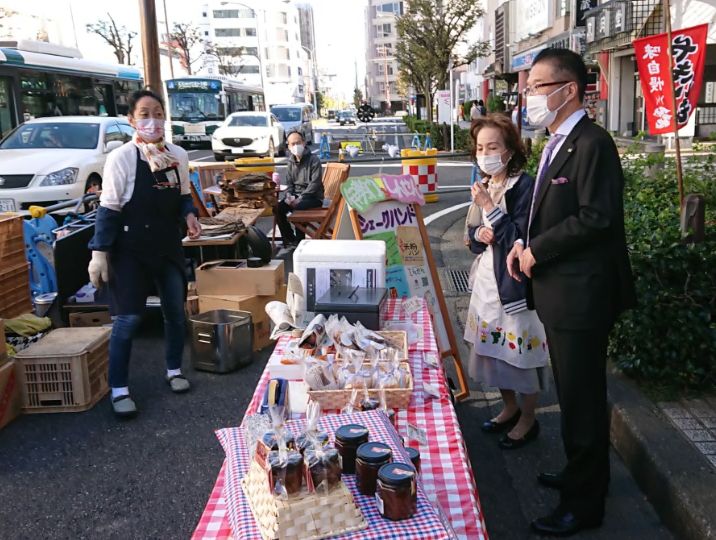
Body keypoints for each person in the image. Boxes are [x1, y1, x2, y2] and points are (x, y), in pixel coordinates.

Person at [506, 48, 635, 536]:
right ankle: (581, 475)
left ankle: (584, 505)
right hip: (561, 291)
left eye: (538, 86)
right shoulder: (557, 139)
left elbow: (596, 217)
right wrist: (524, 242)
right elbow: (548, 208)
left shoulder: (592, 142)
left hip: (582, 295)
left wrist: (539, 249)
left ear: (569, 90)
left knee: (582, 400)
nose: (529, 95)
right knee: (572, 392)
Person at [87, 89, 202, 418]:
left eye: (157, 113)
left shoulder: (176, 155)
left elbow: (181, 196)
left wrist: (190, 214)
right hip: (130, 249)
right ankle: (119, 388)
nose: (152, 120)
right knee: (128, 319)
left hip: (167, 246)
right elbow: (109, 208)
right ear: (131, 120)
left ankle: (173, 370)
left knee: (175, 313)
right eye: (144, 114)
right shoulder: (122, 158)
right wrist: (99, 253)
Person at [463, 114, 548, 450]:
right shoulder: (486, 183)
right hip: (486, 282)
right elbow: (470, 236)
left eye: (493, 146)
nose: (485, 153)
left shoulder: (525, 186)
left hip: (513, 287)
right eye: (481, 147)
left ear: (510, 150)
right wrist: (478, 234)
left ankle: (528, 418)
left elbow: (522, 237)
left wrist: (489, 209)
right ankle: (509, 407)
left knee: (520, 354)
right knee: (493, 352)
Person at [273, 129, 323, 248]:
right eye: (293, 144)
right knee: (278, 208)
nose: (296, 146)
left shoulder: (314, 160)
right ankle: (290, 239)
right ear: (288, 147)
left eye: (298, 142)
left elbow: (314, 184)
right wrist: (289, 196)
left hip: (313, 197)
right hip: (297, 195)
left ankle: (300, 240)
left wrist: (300, 198)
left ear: (304, 143)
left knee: (298, 207)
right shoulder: (290, 161)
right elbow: (289, 183)